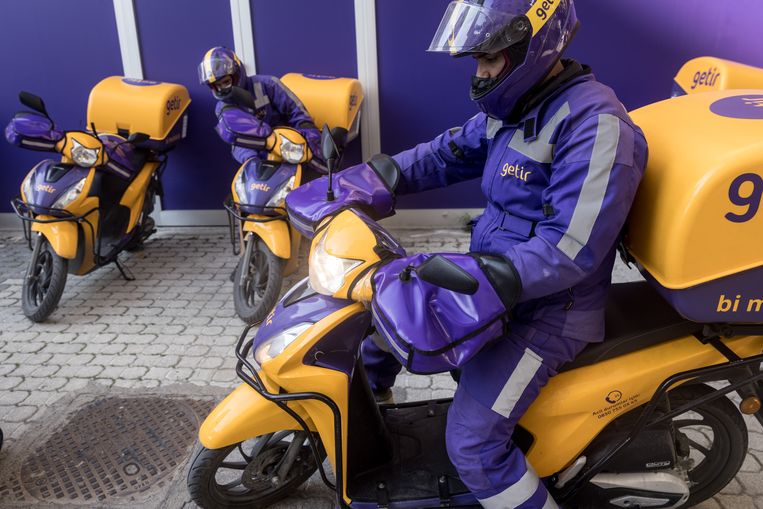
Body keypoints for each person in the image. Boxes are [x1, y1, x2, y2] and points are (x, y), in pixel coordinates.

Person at [287, 0, 648, 507]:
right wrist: (365, 180)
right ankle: (375, 420)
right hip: (502, 289)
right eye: (477, 59)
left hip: (548, 317)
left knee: (473, 446)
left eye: (489, 59)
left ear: (532, 48)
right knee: (380, 328)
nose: (479, 74)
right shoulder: (519, 108)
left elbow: (569, 249)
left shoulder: (595, 126)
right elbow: (445, 154)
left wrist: (474, 278)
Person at [198, 46, 326, 176]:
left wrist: (308, 138)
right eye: (217, 86)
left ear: (237, 73)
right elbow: (237, 142)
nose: (222, 89)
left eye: (226, 82)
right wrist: (252, 162)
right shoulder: (223, 108)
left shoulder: (268, 84)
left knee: (322, 168)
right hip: (262, 157)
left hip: (291, 146)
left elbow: (297, 113)